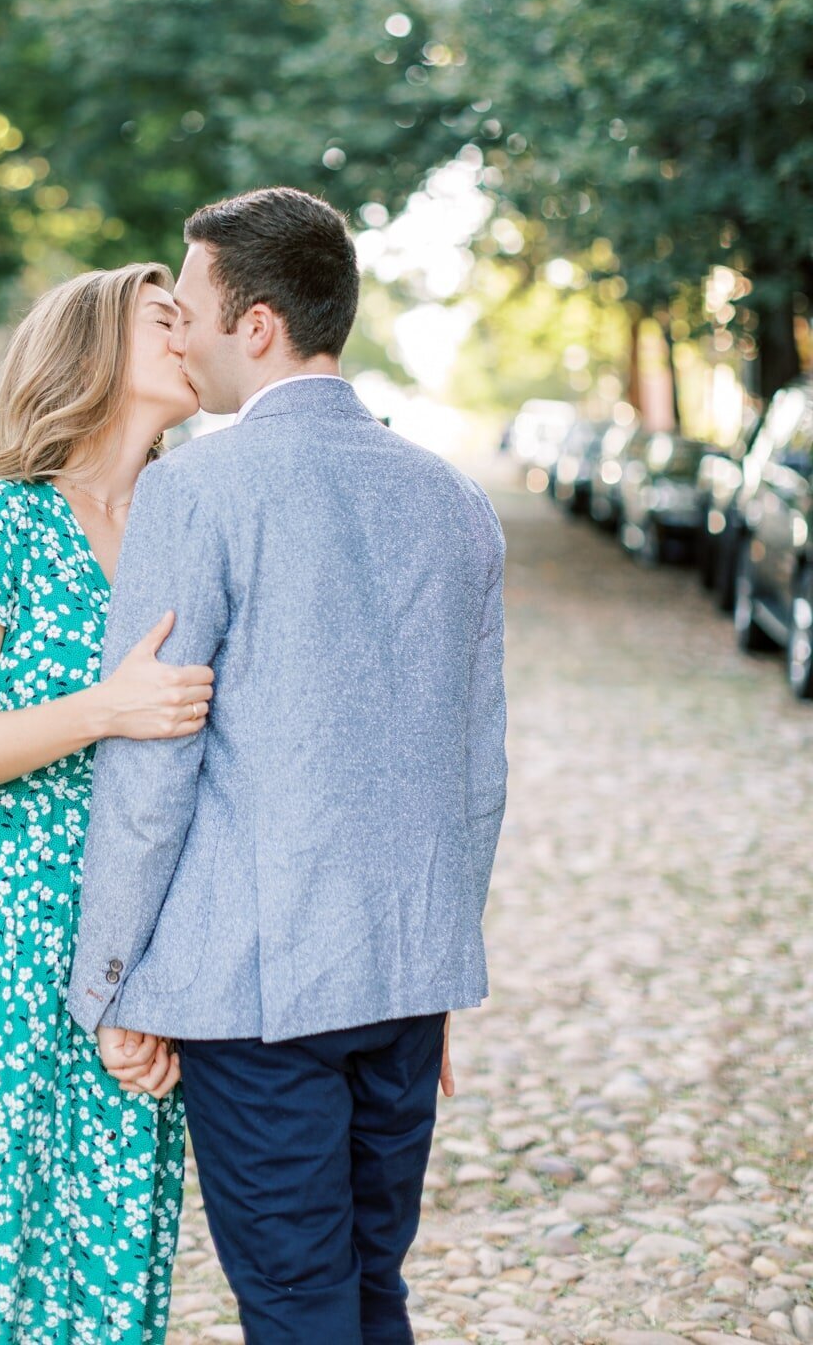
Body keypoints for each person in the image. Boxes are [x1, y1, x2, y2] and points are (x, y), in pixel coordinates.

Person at [68, 187, 508, 1345]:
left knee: (300, 1306)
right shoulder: (456, 501)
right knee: (373, 1289)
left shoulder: (193, 490)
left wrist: (109, 979)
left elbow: (153, 762)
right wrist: (440, 956)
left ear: (256, 324)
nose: (184, 333)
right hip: (404, 976)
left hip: (255, 995)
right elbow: (477, 769)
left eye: (193, 304)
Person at [0, 264, 213, 1345]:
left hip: (133, 950)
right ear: (93, 354)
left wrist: (172, 972)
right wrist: (107, 708)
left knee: (120, 1237)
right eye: (165, 317)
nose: (192, 330)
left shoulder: (189, 519)